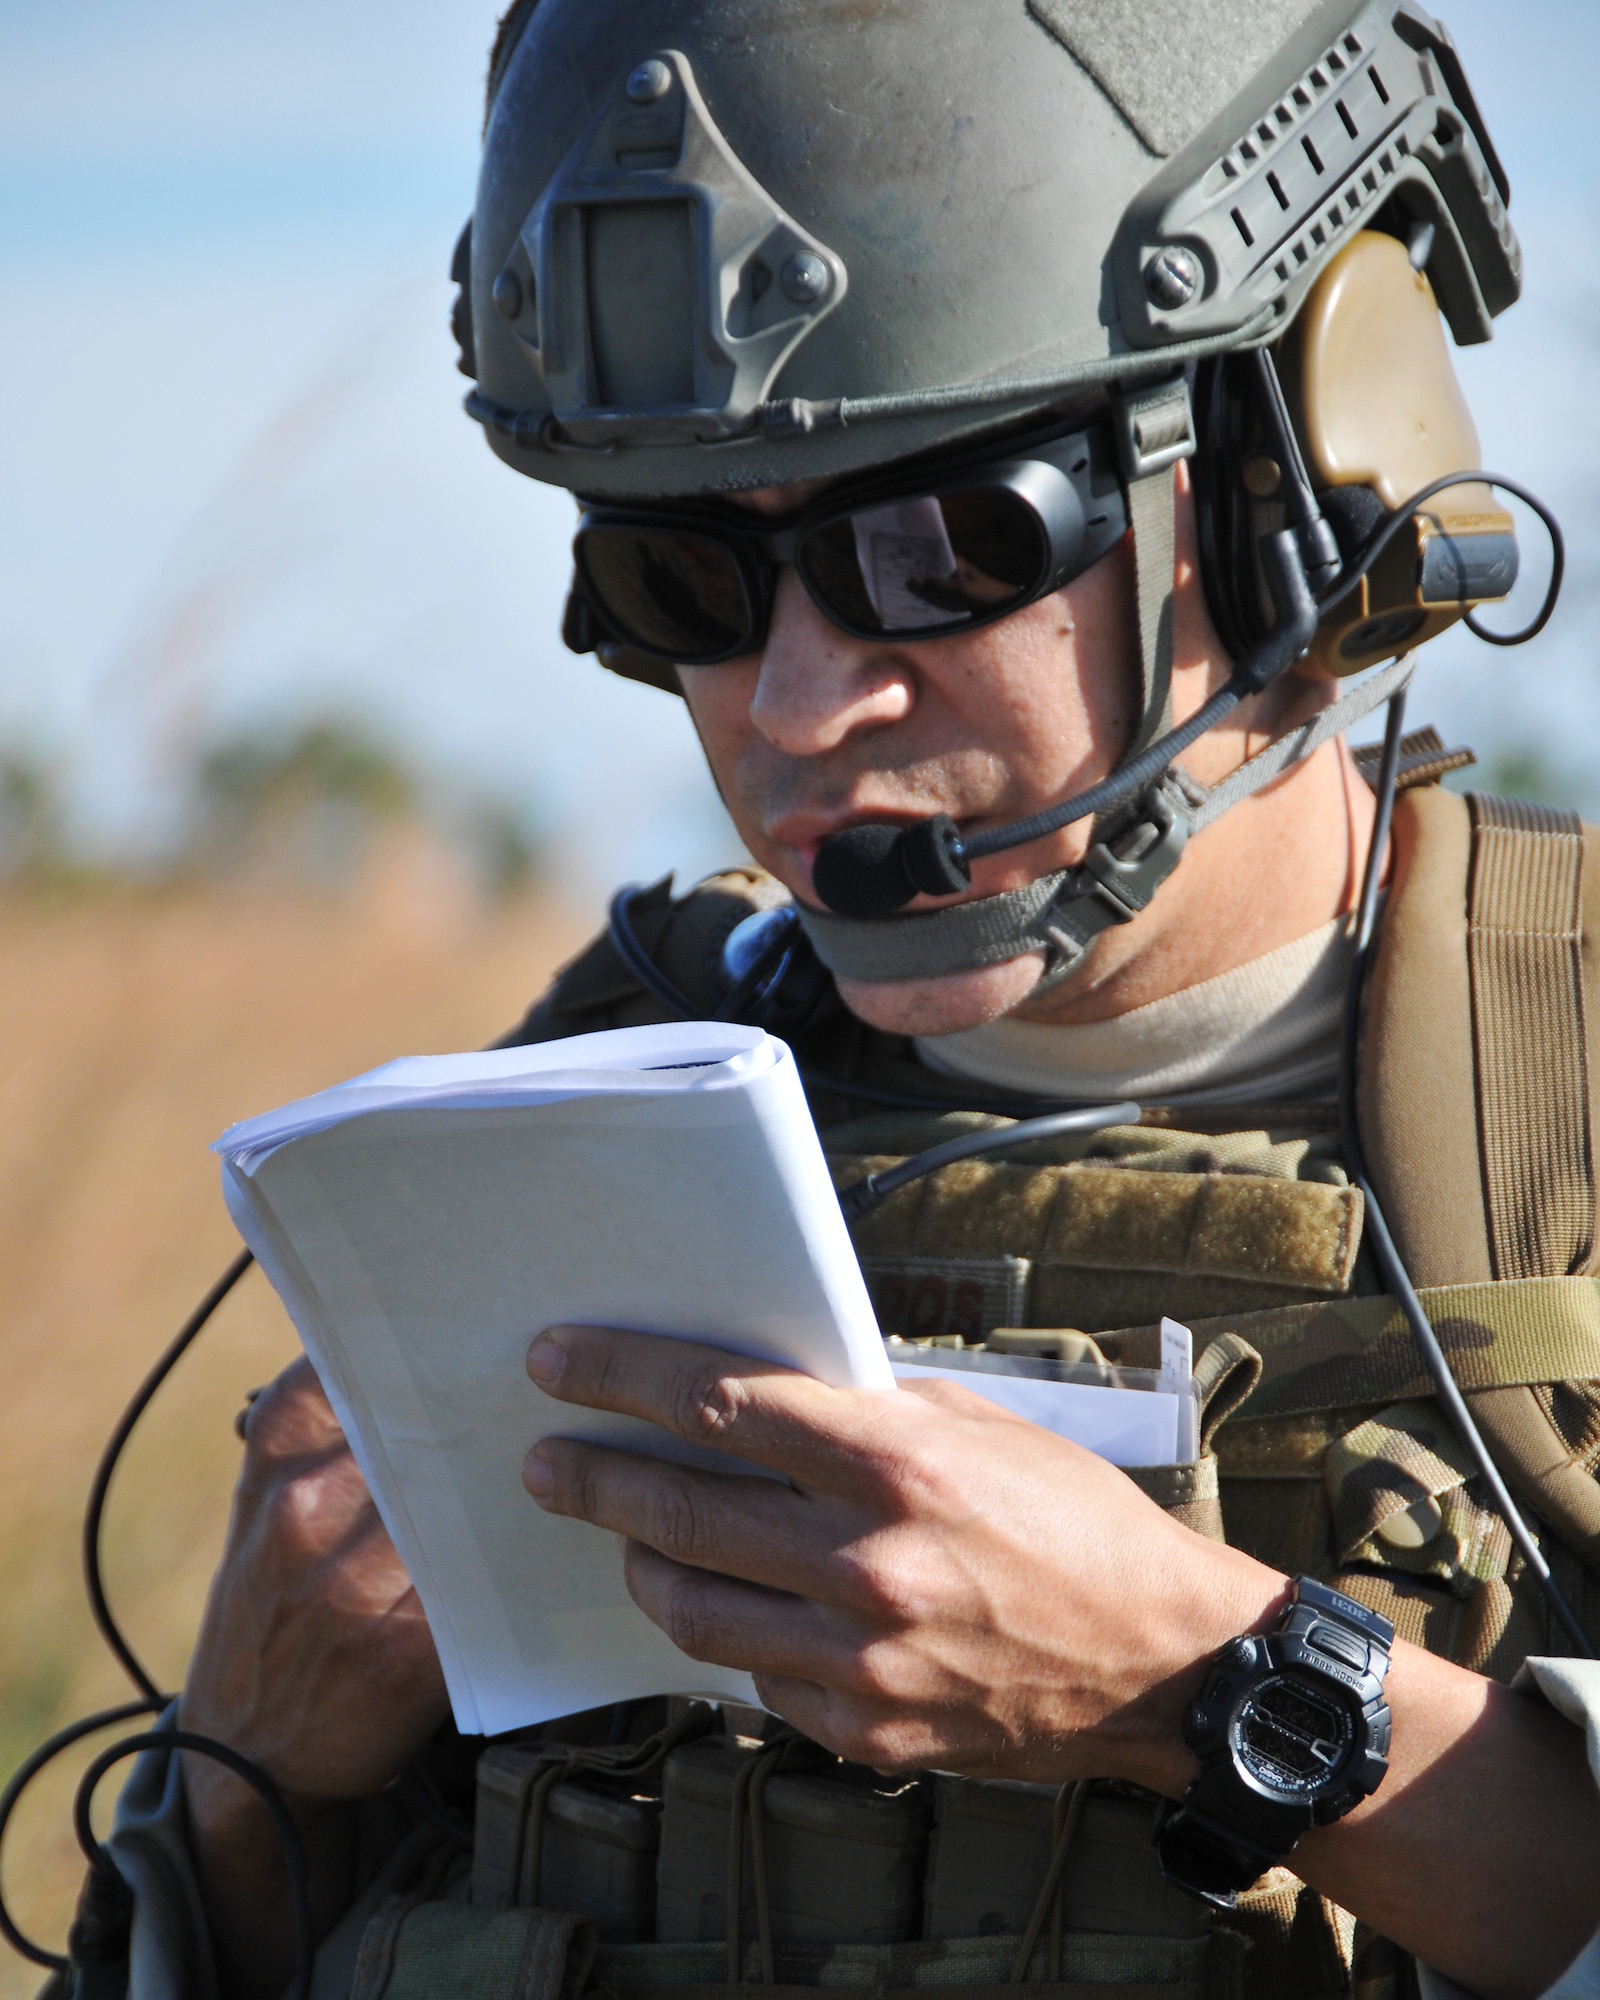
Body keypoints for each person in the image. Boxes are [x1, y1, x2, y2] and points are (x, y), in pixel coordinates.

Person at [93, 4, 1600, 1999]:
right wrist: (236, 1788)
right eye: (679, 585)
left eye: (940, 544)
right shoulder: (559, 1106)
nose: (796, 708)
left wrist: (1194, 1688)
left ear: (1283, 500)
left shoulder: (1553, 1079)